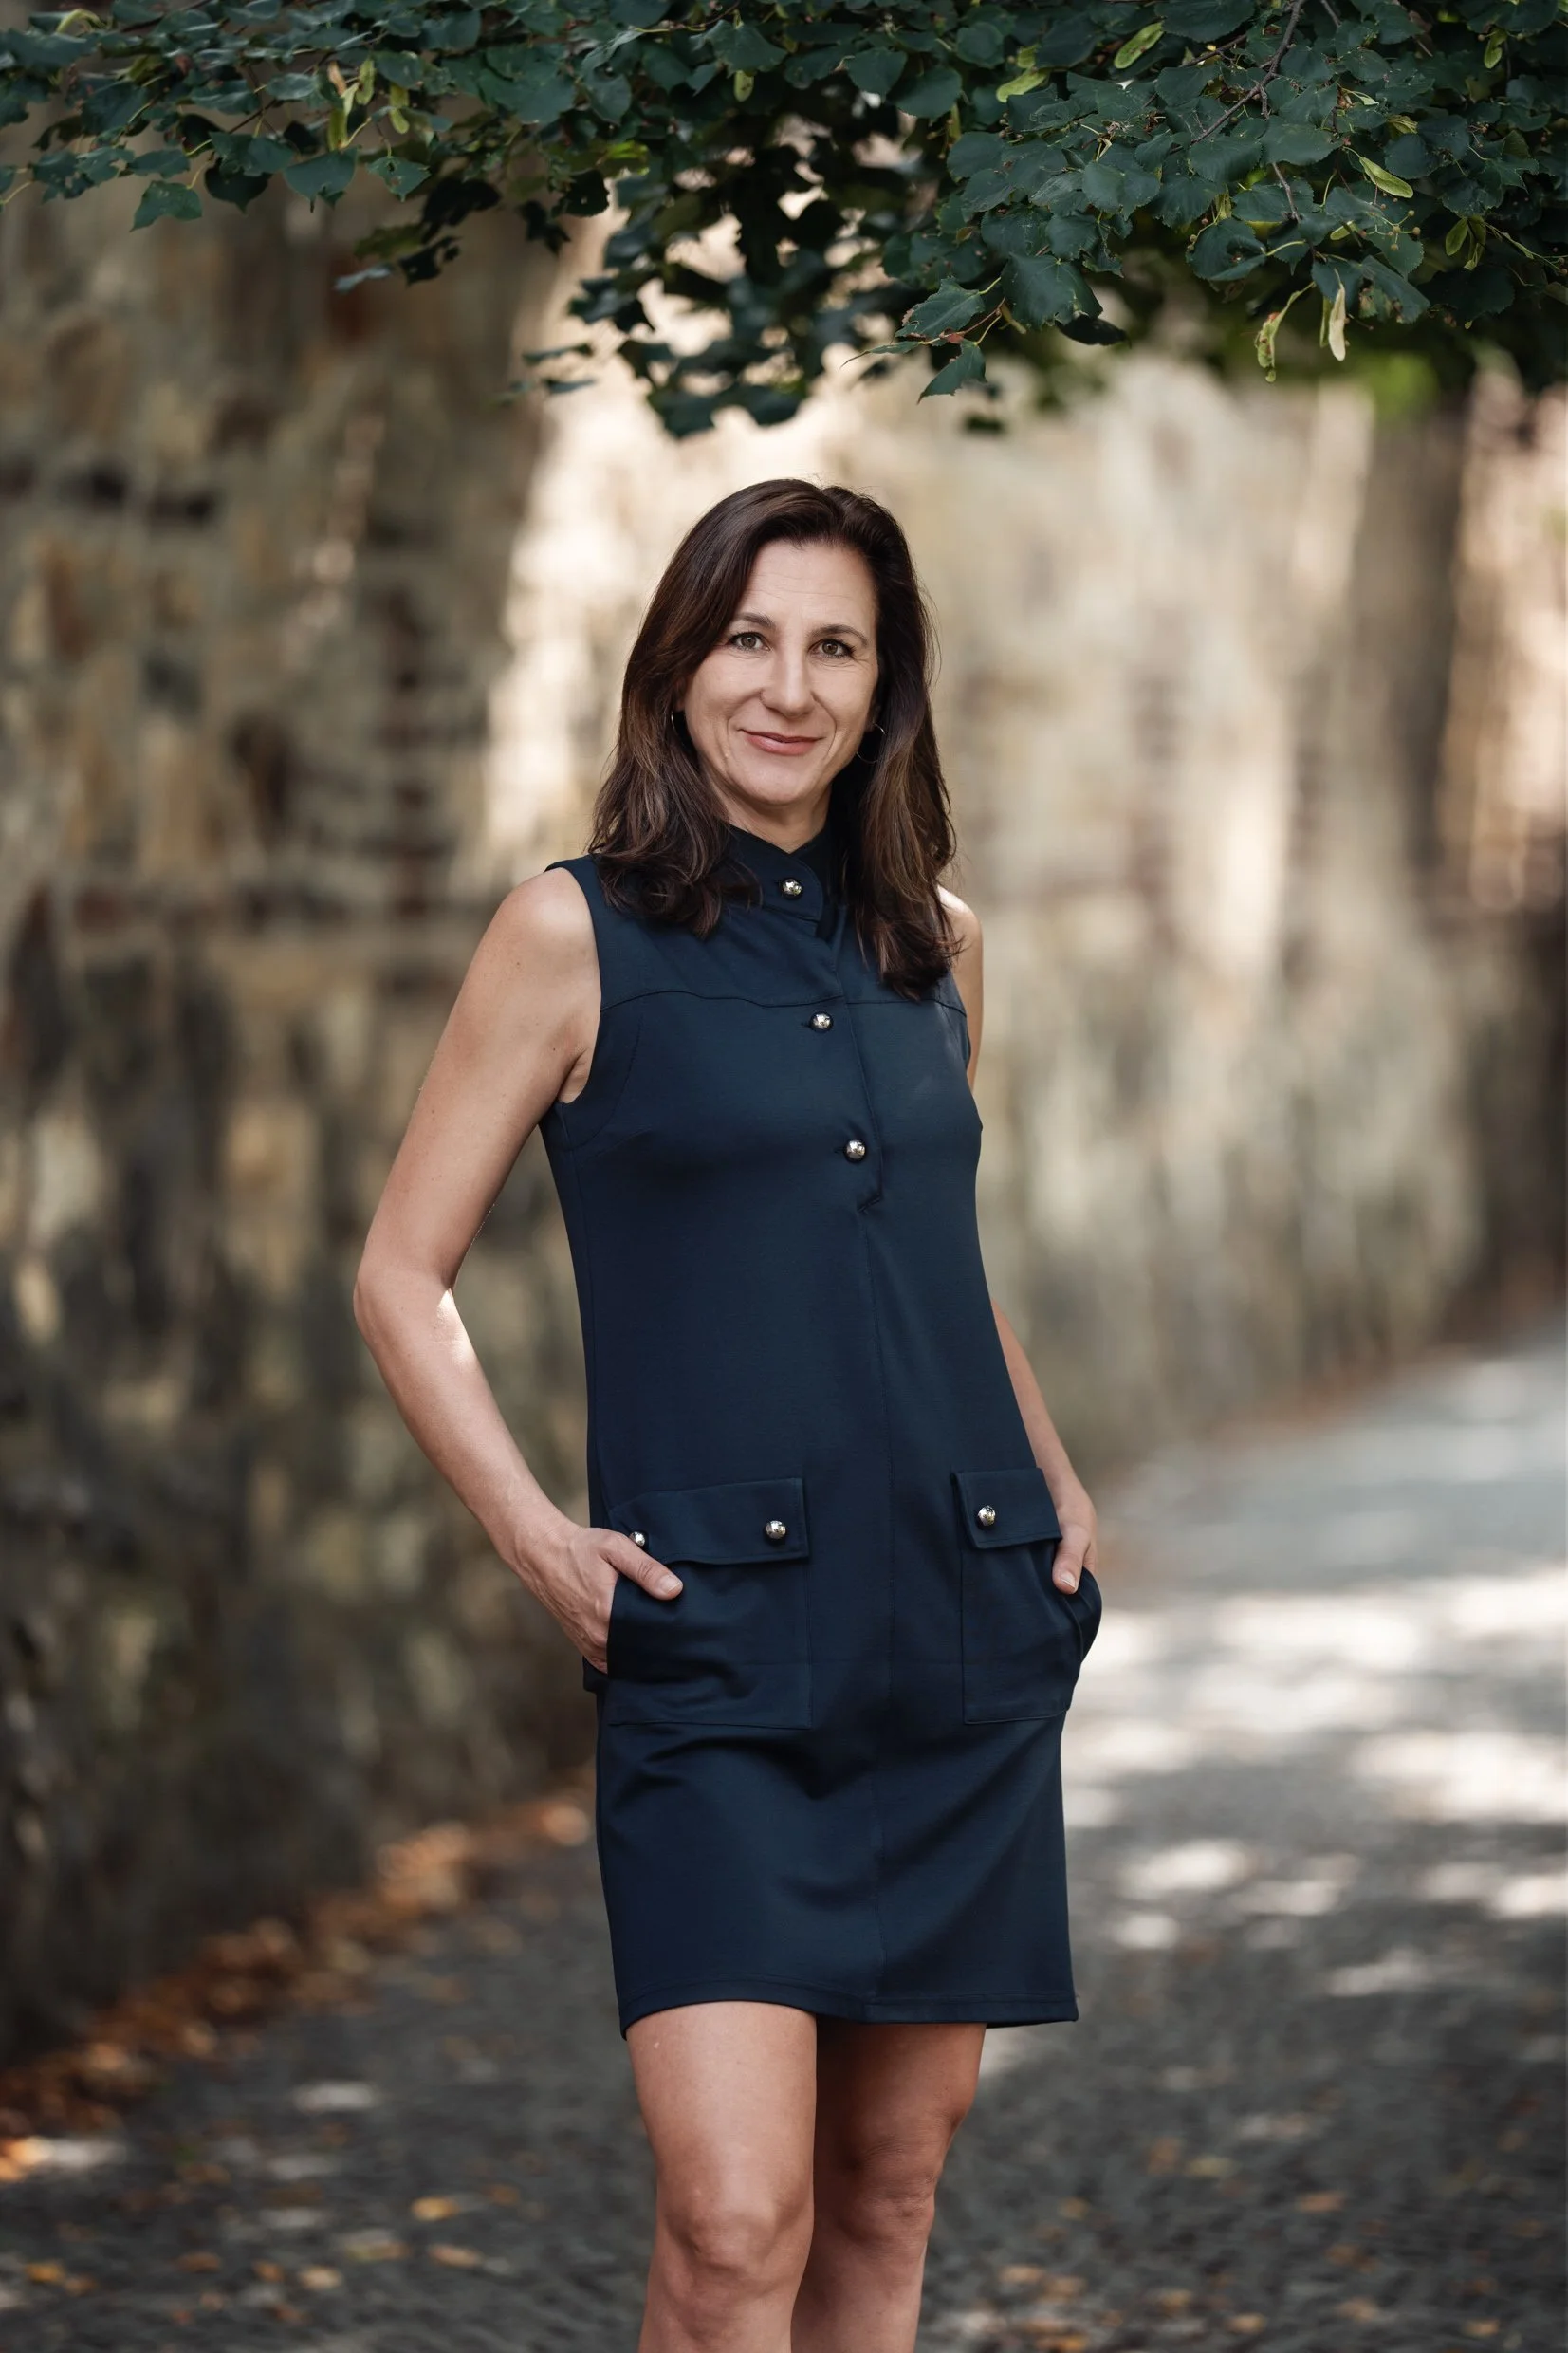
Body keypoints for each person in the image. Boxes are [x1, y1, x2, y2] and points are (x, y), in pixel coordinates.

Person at [354, 478, 1103, 2353]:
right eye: (748, 638)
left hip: (955, 1638)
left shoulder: (939, 944)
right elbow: (398, 1274)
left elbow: (938, 1255)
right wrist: (539, 1541)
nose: (789, 685)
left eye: (835, 646)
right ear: (678, 666)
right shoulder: (569, 934)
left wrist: (1058, 1485)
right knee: (732, 2218)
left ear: (884, 686)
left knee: (888, 2191)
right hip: (719, 1657)